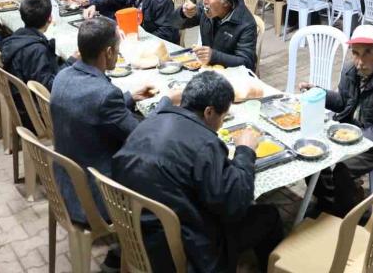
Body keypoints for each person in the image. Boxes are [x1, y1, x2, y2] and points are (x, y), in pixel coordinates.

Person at [113, 71, 284, 273]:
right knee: (270, 215)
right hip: (182, 251)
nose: (222, 123)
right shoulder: (205, 144)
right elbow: (236, 204)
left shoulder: (150, 121)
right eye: (223, 116)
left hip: (134, 230)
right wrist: (245, 150)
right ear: (209, 112)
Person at [51, 17, 153, 273]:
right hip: (96, 196)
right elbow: (140, 136)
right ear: (108, 52)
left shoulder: (62, 76)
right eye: (117, 50)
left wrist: (129, 98)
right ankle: (128, 252)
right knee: (161, 175)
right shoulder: (104, 94)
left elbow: (91, 109)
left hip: (64, 185)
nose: (117, 55)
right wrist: (164, 106)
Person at [300, 24, 373, 217]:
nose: (359, 62)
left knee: (343, 168)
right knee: (312, 153)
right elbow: (343, 102)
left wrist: (355, 139)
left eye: (367, 53)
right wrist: (318, 92)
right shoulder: (350, 70)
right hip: (352, 135)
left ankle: (350, 213)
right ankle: (327, 201)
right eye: (355, 53)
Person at [0, 0, 67, 127]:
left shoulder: (16, 37)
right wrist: (71, 63)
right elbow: (48, 87)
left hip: (22, 103)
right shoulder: (36, 50)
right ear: (50, 18)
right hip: (37, 114)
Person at [176, 0, 258, 71]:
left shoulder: (246, 24)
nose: (205, 0)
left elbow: (247, 62)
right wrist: (183, 14)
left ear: (226, 3)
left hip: (232, 73)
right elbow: (174, 24)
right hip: (209, 68)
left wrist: (214, 56)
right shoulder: (206, 7)